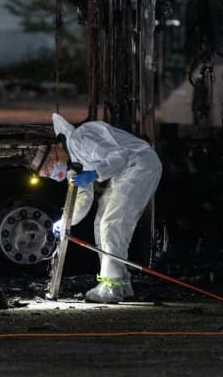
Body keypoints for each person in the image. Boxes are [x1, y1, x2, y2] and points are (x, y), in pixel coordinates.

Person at [30, 113, 162, 303]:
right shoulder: (74, 164)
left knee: (112, 223)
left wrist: (96, 173)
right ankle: (120, 283)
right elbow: (83, 198)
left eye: (49, 172)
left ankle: (112, 286)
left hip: (140, 165)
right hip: (125, 172)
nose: (53, 175)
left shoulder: (81, 139)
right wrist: (65, 221)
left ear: (53, 156)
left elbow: (120, 156)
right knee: (101, 222)